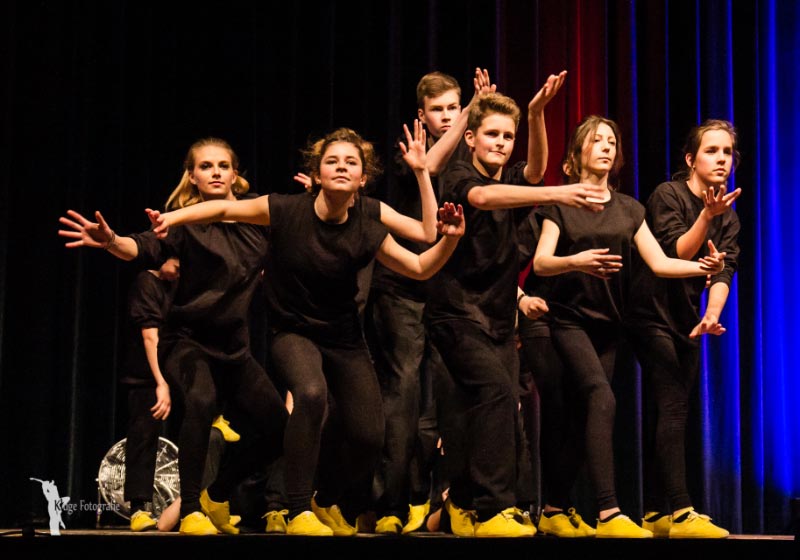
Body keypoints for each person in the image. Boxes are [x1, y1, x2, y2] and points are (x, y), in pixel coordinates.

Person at [145, 125, 465, 537]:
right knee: (311, 394)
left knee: (369, 436)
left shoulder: (370, 217)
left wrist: (428, 187)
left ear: (362, 178)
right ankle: (298, 510)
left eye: (351, 162)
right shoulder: (286, 209)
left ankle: (324, 499)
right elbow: (223, 210)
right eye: (332, 161)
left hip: (344, 337)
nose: (342, 167)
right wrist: (171, 218)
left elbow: (422, 255)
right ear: (316, 174)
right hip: (292, 331)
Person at [58, 137, 289, 535]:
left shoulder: (257, 222)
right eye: (206, 166)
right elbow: (140, 247)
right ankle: (192, 509)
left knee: (279, 427)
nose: (215, 172)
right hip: (186, 341)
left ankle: (217, 493)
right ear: (192, 176)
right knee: (201, 400)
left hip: (234, 349)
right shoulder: (182, 223)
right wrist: (111, 241)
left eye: (223, 166)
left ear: (235, 174)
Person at [425, 85, 607, 537]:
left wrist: (536, 113)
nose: (502, 143)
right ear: (471, 138)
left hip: (498, 316)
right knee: (495, 393)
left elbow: (536, 170)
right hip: (456, 313)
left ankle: (462, 504)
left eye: (509, 136)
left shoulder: (510, 180)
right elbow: (484, 199)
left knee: (502, 407)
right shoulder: (458, 175)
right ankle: (492, 510)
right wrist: (559, 194)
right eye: (493, 134)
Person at [531, 115, 726, 538]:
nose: (606, 147)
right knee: (602, 398)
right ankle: (609, 512)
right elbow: (541, 263)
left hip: (608, 326)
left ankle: (553, 508)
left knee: (582, 415)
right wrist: (575, 261)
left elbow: (660, 263)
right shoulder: (561, 204)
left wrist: (704, 268)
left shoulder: (630, 209)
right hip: (567, 320)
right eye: (596, 140)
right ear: (577, 153)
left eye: (611, 141)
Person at [364, 67, 495, 535]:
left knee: (450, 399)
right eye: (438, 109)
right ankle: (390, 506)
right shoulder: (414, 151)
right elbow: (430, 166)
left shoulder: (469, 156)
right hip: (400, 288)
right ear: (422, 115)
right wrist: (472, 111)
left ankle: (448, 501)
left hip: (447, 291)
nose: (448, 116)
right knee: (401, 394)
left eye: (454, 108)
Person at [629, 119, 740, 539]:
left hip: (685, 318)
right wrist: (706, 217)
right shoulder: (668, 195)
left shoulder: (729, 216)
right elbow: (675, 251)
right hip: (648, 311)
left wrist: (711, 313)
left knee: (671, 411)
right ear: (691, 160)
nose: (722, 159)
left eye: (727, 152)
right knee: (673, 405)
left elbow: (724, 270)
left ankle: (655, 511)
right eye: (712, 151)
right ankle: (680, 511)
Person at [516, 214, 597, 538]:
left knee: (588, 406)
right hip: (543, 314)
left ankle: (559, 503)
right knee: (556, 406)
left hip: (583, 318)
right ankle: (552, 508)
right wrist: (520, 301)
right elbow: (503, 266)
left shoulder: (613, 212)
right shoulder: (545, 215)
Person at [121, 260, 178, 532]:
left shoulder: (181, 285)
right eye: (176, 266)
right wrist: (161, 381)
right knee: (143, 433)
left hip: (178, 368)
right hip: (147, 374)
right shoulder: (147, 283)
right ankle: (138, 508)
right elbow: (150, 337)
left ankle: (194, 504)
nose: (178, 273)